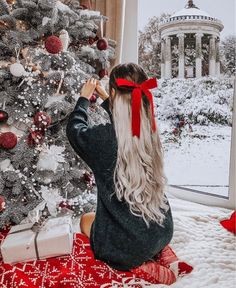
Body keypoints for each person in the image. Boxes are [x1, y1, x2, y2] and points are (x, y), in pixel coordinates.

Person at [66, 63, 174, 273]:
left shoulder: (104, 139)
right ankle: (155, 254)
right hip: (163, 231)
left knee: (85, 220)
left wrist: (83, 98)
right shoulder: (149, 129)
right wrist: (108, 97)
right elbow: (126, 118)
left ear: (115, 92)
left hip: (128, 247)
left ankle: (138, 266)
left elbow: (75, 130)